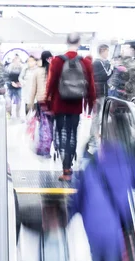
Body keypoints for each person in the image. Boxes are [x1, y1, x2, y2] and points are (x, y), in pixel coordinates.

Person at [46, 32, 96, 181]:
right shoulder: (85, 62)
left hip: (59, 104)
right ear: (79, 42)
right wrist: (90, 103)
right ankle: (68, 167)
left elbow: (51, 83)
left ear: (66, 42)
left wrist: (48, 101)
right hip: (75, 105)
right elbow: (91, 85)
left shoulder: (57, 61)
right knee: (71, 134)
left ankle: (62, 161)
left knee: (60, 134)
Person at [90, 44, 113, 139]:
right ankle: (97, 133)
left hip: (97, 92)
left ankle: (94, 134)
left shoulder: (97, 62)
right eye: (107, 51)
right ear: (102, 51)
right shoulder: (98, 63)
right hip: (100, 92)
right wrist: (112, 68)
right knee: (102, 113)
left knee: (96, 114)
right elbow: (105, 75)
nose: (108, 53)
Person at [6, 54, 23, 119]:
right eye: (15, 59)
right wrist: (11, 82)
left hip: (18, 87)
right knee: (9, 101)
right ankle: (9, 114)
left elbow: (24, 77)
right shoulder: (9, 67)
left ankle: (17, 114)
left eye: (17, 58)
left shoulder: (22, 67)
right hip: (10, 87)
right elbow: (6, 77)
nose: (16, 60)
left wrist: (20, 83)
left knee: (18, 101)